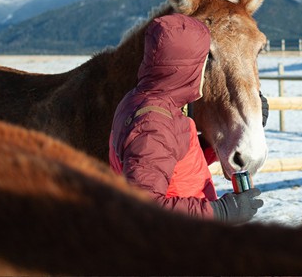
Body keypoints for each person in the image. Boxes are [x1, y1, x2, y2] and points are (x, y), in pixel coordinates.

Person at [109, 13, 264, 223]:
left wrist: (229, 139)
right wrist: (222, 212)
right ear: (187, 68)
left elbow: (173, 155)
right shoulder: (152, 124)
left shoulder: (148, 103)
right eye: (205, 61)